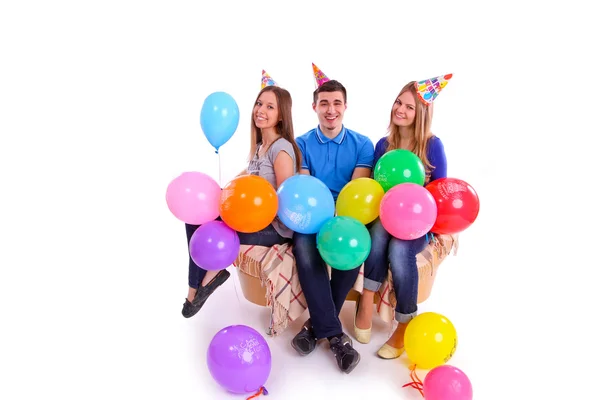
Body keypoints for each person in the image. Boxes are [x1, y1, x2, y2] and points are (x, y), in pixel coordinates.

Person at [182, 78, 302, 318]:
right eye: (259, 104)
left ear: (281, 116)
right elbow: (246, 178)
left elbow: (287, 202)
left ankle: (204, 283)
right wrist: (222, 195)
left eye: (270, 107)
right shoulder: (259, 147)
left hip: (274, 228)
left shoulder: (281, 149)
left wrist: (247, 217)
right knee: (196, 219)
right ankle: (195, 286)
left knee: (215, 228)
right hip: (253, 218)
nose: (261, 110)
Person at [353, 76, 450, 359]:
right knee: (380, 232)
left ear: (420, 114)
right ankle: (367, 298)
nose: (400, 110)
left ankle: (404, 323)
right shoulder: (384, 145)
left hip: (419, 222)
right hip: (387, 216)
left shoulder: (433, 146)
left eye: (409, 107)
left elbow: (440, 193)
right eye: (398, 102)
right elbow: (374, 188)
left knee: (398, 250)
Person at [291, 67, 374, 374]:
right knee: (304, 246)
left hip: (345, 216)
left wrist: (340, 218)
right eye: (324, 103)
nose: (331, 110)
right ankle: (337, 338)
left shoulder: (362, 144)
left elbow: (355, 193)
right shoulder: (301, 143)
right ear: (314, 107)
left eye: (336, 103)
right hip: (313, 218)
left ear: (345, 107)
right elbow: (305, 190)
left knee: (352, 251)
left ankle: (314, 329)